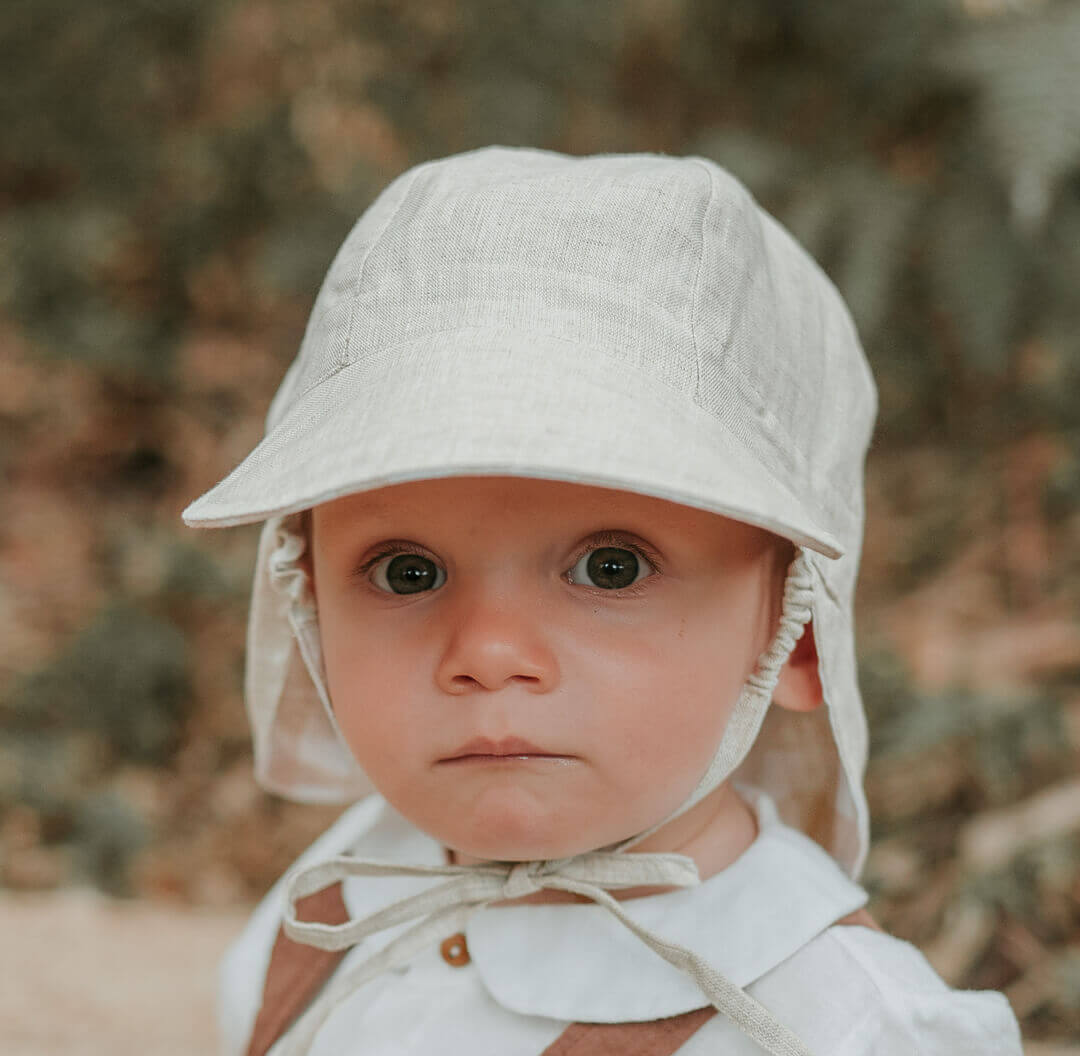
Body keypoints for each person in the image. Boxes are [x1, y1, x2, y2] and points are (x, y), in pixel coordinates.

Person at [182, 146, 1023, 1055]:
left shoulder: (840, 1026)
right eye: (406, 573)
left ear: (797, 631)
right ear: (307, 600)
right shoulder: (337, 901)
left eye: (611, 568)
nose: (489, 651)